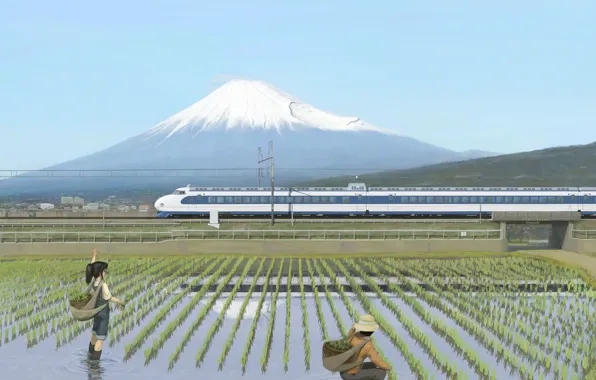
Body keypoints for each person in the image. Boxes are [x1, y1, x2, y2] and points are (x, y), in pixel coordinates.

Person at [86, 249, 125, 360]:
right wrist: (120, 301)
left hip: (96, 312)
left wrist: (93, 256)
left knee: (94, 334)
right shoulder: (103, 285)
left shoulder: (94, 281)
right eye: (104, 271)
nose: (105, 273)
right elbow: (109, 297)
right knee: (100, 339)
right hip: (103, 313)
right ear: (100, 273)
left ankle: (89, 356)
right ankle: (94, 366)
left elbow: (92, 267)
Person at [340, 314, 391, 380]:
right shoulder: (367, 344)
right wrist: (387, 367)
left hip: (343, 371)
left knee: (372, 365)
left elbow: (347, 337)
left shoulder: (354, 335)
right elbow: (376, 359)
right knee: (381, 372)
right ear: (371, 331)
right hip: (350, 376)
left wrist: (353, 329)